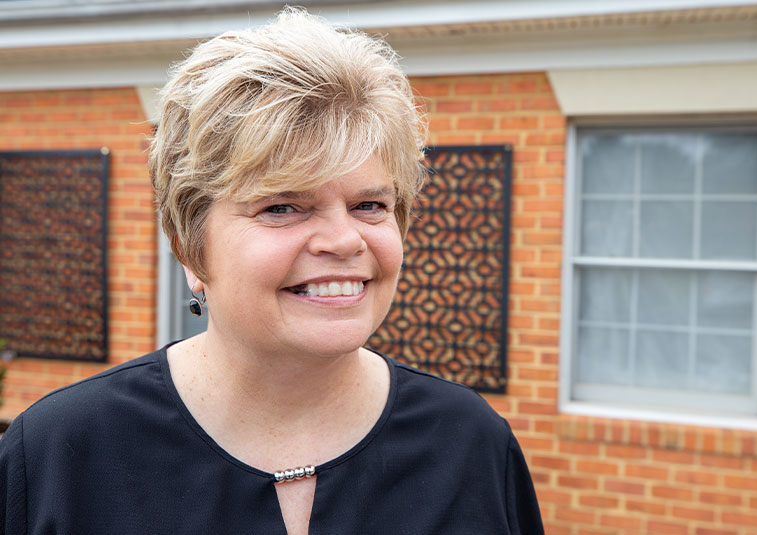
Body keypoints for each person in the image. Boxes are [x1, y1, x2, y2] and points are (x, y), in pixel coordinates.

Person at [0, 8, 543, 534]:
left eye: (370, 205)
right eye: (282, 207)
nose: (344, 240)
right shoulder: (59, 457)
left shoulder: (472, 444)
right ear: (189, 246)